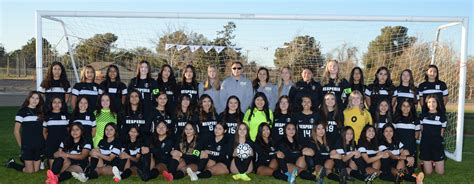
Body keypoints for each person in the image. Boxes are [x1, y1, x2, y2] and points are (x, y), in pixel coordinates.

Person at [6, 91, 45, 173]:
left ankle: (25, 160)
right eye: (32, 98)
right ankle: (12, 163)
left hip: (39, 144)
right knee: (30, 171)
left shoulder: (41, 112)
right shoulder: (22, 111)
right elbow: (16, 131)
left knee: (36, 170)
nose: (35, 100)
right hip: (27, 145)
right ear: (29, 99)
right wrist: (21, 145)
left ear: (39, 100)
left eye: (37, 98)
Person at [419, 95, 446, 175]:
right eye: (429, 102)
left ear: (437, 103)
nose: (431, 104)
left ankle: (434, 162)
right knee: (428, 173)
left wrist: (439, 144)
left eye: (434, 101)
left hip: (437, 145)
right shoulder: (422, 116)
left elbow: (442, 132)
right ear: (426, 104)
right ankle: (424, 162)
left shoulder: (442, 117)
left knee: (440, 172)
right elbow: (421, 130)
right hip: (426, 145)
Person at [43, 97, 70, 168]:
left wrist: (66, 142)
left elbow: (68, 130)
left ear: (62, 104)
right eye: (54, 102)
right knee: (53, 169)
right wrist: (48, 141)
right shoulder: (47, 116)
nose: (57, 104)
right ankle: (48, 163)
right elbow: (44, 132)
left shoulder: (67, 115)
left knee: (63, 164)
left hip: (63, 143)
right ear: (51, 104)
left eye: (59, 102)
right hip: (51, 144)